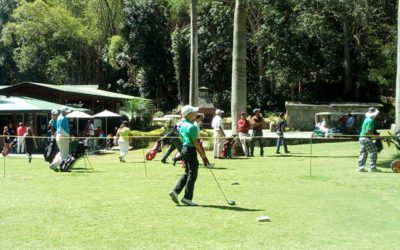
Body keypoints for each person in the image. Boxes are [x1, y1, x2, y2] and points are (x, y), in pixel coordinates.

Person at [169, 105, 207, 206]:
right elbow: (196, 143)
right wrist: (203, 156)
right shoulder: (192, 126)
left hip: (184, 149)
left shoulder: (182, 125)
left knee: (188, 172)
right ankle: (187, 198)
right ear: (189, 114)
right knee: (192, 174)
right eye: (194, 112)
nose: (195, 114)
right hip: (190, 150)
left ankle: (175, 191)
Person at [357, 107, 381, 173]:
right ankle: (372, 168)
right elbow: (369, 132)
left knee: (363, 153)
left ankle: (360, 168)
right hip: (365, 138)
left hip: (361, 138)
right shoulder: (370, 120)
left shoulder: (366, 119)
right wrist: (377, 137)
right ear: (374, 114)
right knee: (373, 152)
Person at [50, 106, 71, 171]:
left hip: (59, 136)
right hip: (63, 136)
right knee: (64, 153)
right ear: (63, 111)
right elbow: (61, 129)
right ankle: (63, 167)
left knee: (61, 152)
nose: (67, 113)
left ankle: (54, 164)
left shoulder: (59, 117)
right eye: (66, 111)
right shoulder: (63, 118)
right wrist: (68, 136)